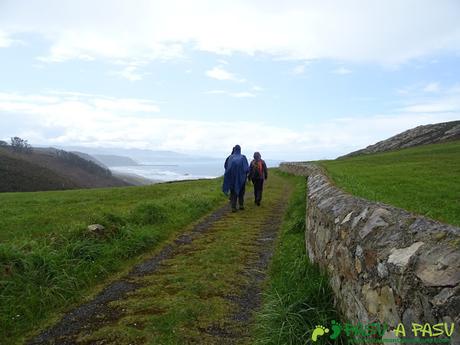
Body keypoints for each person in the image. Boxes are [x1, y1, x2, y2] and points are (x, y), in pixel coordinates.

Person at [222, 145, 249, 212]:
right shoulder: (243, 157)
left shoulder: (230, 157)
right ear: (240, 149)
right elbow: (246, 168)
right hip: (242, 178)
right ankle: (241, 205)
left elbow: (226, 166)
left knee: (233, 192)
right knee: (241, 192)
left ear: (234, 150)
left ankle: (233, 207)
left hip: (232, 178)